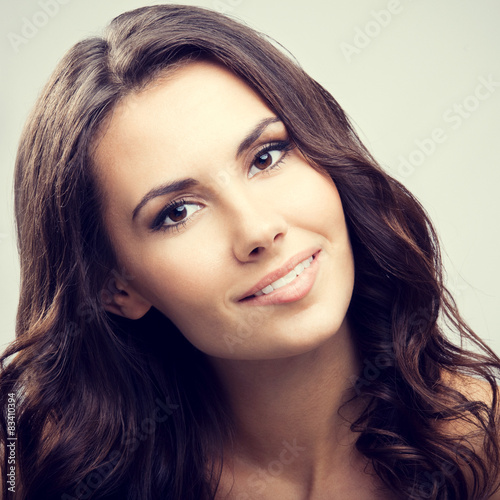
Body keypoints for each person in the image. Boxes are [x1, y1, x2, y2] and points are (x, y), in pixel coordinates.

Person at [1, 4, 499, 499]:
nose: (258, 229)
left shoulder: (484, 443)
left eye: (266, 156)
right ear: (117, 287)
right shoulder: (39, 468)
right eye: (177, 212)